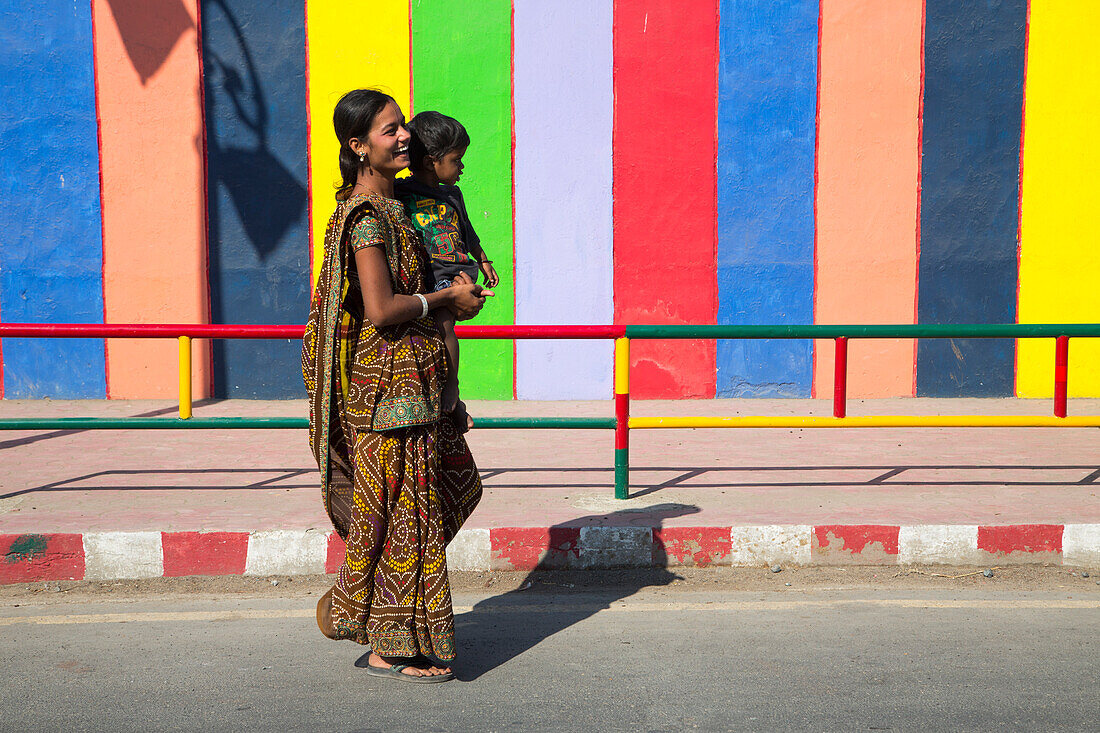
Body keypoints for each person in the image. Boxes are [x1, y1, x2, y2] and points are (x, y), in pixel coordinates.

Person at [302, 89, 493, 683]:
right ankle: (391, 643)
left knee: (449, 494)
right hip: (384, 392)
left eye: (403, 125)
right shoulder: (363, 217)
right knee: (402, 518)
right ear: (359, 147)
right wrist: (446, 297)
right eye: (389, 131)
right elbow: (382, 309)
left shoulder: (403, 207)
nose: (405, 136)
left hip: (423, 383)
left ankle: (356, 608)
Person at [394, 112, 499, 430]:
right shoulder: (402, 193)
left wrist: (483, 260)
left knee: (448, 326)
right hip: (430, 275)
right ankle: (449, 392)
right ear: (429, 162)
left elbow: (467, 231)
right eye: (457, 160)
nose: (462, 167)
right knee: (443, 328)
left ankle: (451, 387)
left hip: (457, 270)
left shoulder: (453, 195)